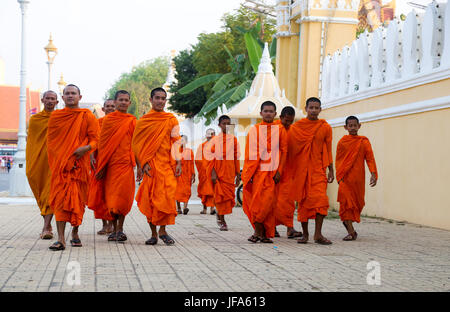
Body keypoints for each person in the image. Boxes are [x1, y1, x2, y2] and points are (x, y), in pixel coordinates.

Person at [47, 84, 99, 251]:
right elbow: (51, 143)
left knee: (78, 200)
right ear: (62, 98)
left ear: (80, 97)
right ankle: (61, 239)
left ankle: (75, 232)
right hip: (62, 167)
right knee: (60, 201)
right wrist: (61, 159)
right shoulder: (56, 116)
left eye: (73, 93)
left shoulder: (87, 116)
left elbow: (96, 140)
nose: (70, 96)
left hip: (80, 166)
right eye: (67, 94)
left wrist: (86, 148)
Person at [132, 87, 182, 246]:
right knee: (151, 199)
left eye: (163, 98)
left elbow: (176, 141)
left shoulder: (171, 119)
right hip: (150, 166)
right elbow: (136, 145)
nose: (160, 101)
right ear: (151, 100)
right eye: (157, 98)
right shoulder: (144, 121)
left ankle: (163, 230)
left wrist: (179, 161)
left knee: (167, 198)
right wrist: (142, 164)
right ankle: (153, 234)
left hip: (166, 165)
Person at [89, 90, 138, 243]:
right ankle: (114, 228)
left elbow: (136, 145)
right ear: (116, 102)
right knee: (111, 199)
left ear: (129, 103)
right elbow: (102, 146)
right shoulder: (107, 121)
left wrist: (140, 166)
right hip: (110, 166)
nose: (123, 102)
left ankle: (120, 229)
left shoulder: (132, 121)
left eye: (126, 100)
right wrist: (101, 166)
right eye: (121, 100)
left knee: (123, 198)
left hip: (126, 165)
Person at [288, 97, 334, 245]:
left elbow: (328, 149)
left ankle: (318, 234)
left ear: (320, 110)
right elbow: (290, 150)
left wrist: (331, 170)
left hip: (318, 170)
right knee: (303, 203)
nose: (314, 110)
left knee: (321, 200)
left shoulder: (325, 127)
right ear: (306, 109)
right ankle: (305, 235)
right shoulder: (297, 127)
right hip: (302, 171)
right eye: (311, 108)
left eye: (316, 108)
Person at [242, 101, 287, 243]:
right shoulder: (254, 130)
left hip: (273, 172)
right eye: (265, 111)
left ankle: (261, 233)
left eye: (271, 111)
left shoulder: (280, 130)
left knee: (268, 203)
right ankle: (260, 233)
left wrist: (279, 171)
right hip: (258, 172)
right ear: (261, 113)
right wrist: (249, 174)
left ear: (275, 114)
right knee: (256, 203)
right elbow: (250, 153)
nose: (268, 113)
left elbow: (284, 152)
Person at [336, 116, 378, 241]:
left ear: (359, 126)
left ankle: (351, 231)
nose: (353, 128)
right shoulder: (342, 142)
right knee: (345, 204)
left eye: (355, 125)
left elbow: (370, 158)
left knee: (357, 203)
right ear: (345, 127)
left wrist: (373, 173)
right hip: (345, 179)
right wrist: (339, 176)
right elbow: (338, 160)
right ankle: (351, 231)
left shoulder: (363, 141)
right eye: (350, 126)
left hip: (358, 179)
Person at [26, 90, 58, 240]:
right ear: (42, 100)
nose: (50, 101)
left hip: (55, 161)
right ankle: (47, 222)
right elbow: (32, 142)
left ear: (57, 102)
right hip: (38, 161)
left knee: (50, 192)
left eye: (53, 99)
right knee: (39, 188)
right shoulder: (35, 120)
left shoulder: (60, 118)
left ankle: (46, 227)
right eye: (48, 98)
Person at [205, 115, 240, 231]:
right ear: (219, 125)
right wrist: (213, 173)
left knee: (227, 198)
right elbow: (211, 158)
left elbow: (236, 157)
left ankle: (220, 216)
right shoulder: (215, 140)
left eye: (228, 123)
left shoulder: (234, 140)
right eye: (224, 123)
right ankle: (222, 220)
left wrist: (238, 174)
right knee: (220, 197)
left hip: (229, 173)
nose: (226, 126)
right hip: (218, 173)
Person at [273, 106, 302, 239]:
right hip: (273, 170)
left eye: (290, 121)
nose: (288, 124)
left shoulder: (293, 131)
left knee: (289, 201)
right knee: (273, 200)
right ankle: (271, 227)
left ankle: (290, 228)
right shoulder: (273, 129)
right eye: (286, 121)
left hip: (288, 171)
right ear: (280, 118)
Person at [89, 99, 116, 235]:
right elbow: (93, 141)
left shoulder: (119, 123)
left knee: (112, 193)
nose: (110, 108)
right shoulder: (98, 123)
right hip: (99, 161)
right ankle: (104, 224)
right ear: (103, 109)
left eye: (113, 106)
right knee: (99, 194)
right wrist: (92, 157)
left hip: (115, 162)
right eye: (108, 106)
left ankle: (112, 224)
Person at [195, 129, 216, 215]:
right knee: (204, 191)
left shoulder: (216, 146)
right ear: (206, 135)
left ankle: (212, 208)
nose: (210, 136)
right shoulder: (202, 146)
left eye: (212, 134)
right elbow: (197, 159)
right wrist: (203, 167)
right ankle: (204, 208)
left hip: (212, 172)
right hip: (203, 172)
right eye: (209, 134)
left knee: (212, 190)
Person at [175, 135, 195, 215]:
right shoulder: (176, 151)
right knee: (178, 191)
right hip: (178, 174)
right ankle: (179, 208)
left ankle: (185, 207)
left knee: (187, 191)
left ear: (186, 142)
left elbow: (191, 163)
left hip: (187, 174)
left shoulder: (189, 151)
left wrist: (193, 174)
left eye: (183, 140)